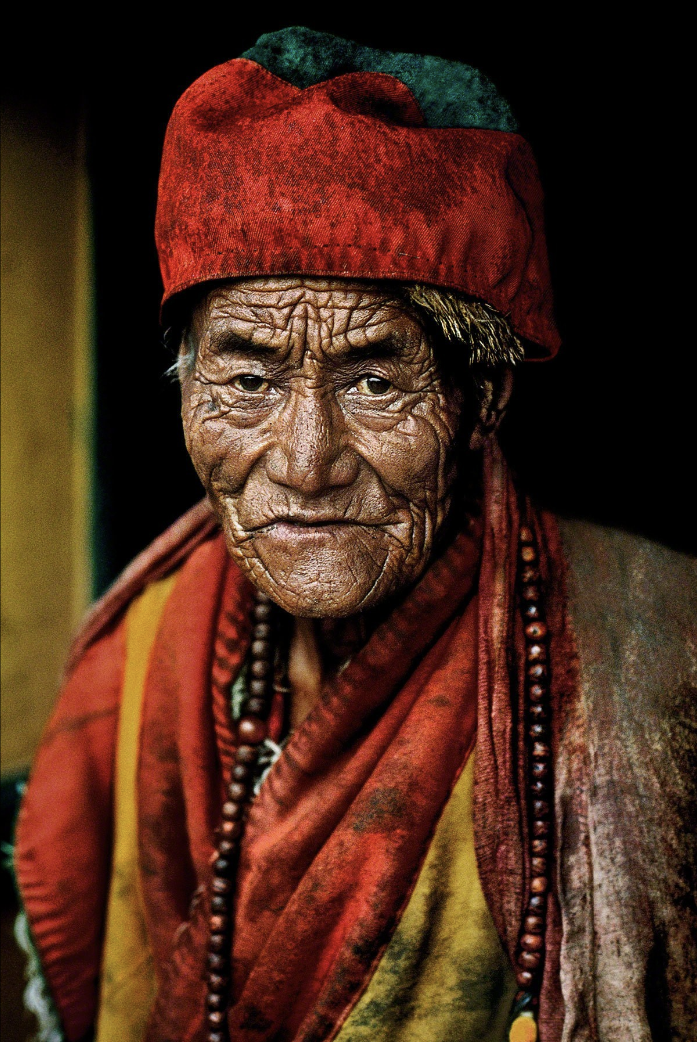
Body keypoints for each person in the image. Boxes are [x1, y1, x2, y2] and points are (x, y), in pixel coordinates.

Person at [14, 27, 696, 1042]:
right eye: (246, 379)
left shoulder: (664, 652)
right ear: (184, 392)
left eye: (375, 380)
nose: (304, 460)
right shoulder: (142, 655)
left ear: (482, 401)